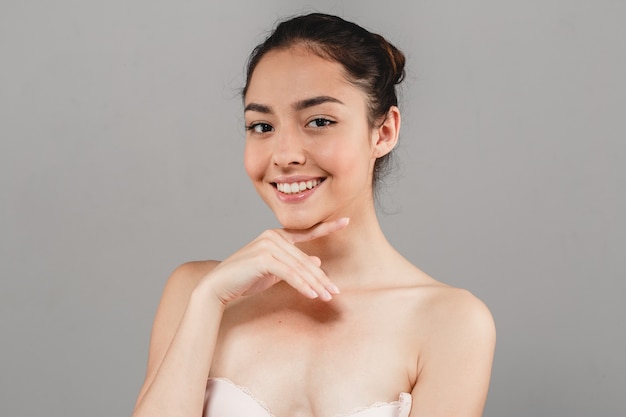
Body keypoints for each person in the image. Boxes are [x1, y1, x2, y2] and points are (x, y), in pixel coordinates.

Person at [132, 12, 495, 417]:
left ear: (384, 132)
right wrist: (208, 301)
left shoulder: (450, 323)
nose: (285, 155)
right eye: (262, 126)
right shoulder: (197, 291)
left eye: (319, 121)